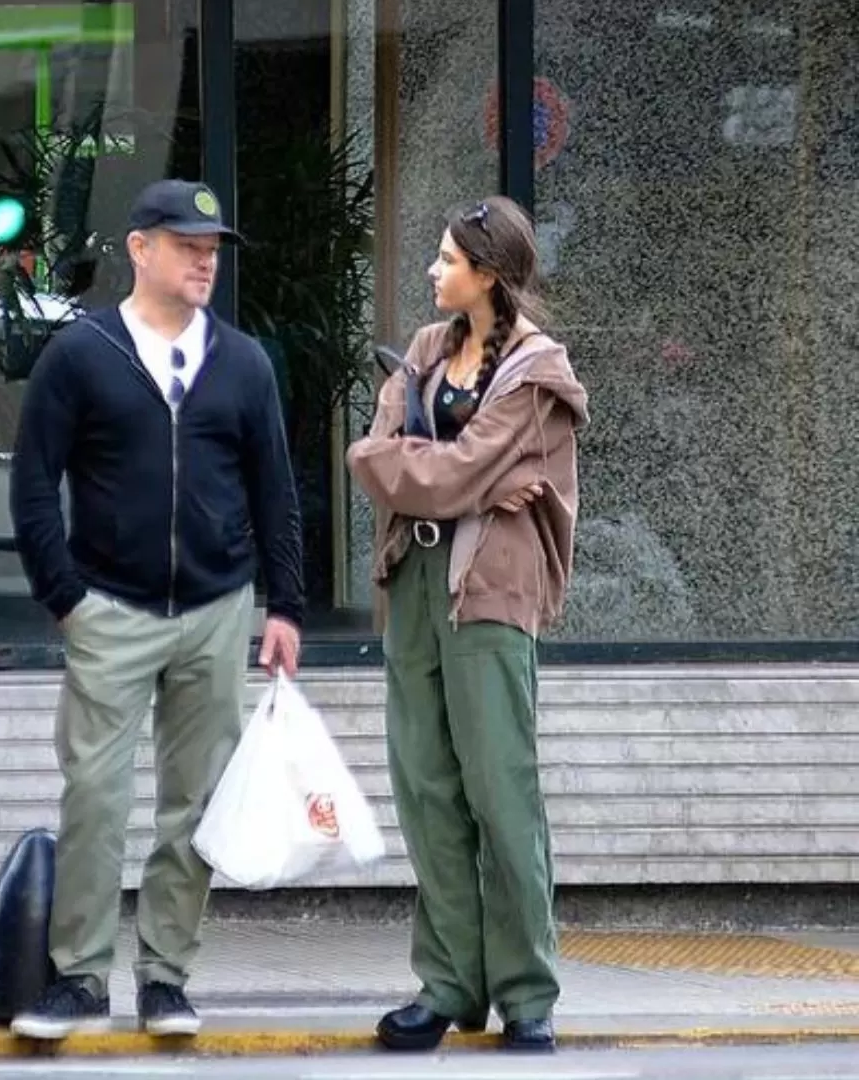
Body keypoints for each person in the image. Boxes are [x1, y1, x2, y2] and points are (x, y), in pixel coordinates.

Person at [8, 179, 305, 1039]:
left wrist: (283, 607)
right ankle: (79, 979)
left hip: (217, 608)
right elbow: (33, 485)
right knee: (95, 795)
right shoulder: (82, 353)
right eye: (187, 246)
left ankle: (167, 977)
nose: (205, 260)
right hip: (109, 606)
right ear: (141, 250)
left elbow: (276, 492)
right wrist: (65, 598)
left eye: (212, 248)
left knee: (198, 800)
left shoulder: (243, 361)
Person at [345, 195, 588, 1054]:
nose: (432, 271)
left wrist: (453, 475)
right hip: (414, 582)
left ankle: (527, 991)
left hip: (490, 590)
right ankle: (446, 984)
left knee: (500, 793)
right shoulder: (422, 352)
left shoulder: (536, 371)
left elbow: (456, 467)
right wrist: (471, 481)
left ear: (487, 274)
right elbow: (371, 459)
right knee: (425, 789)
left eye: (446, 259)